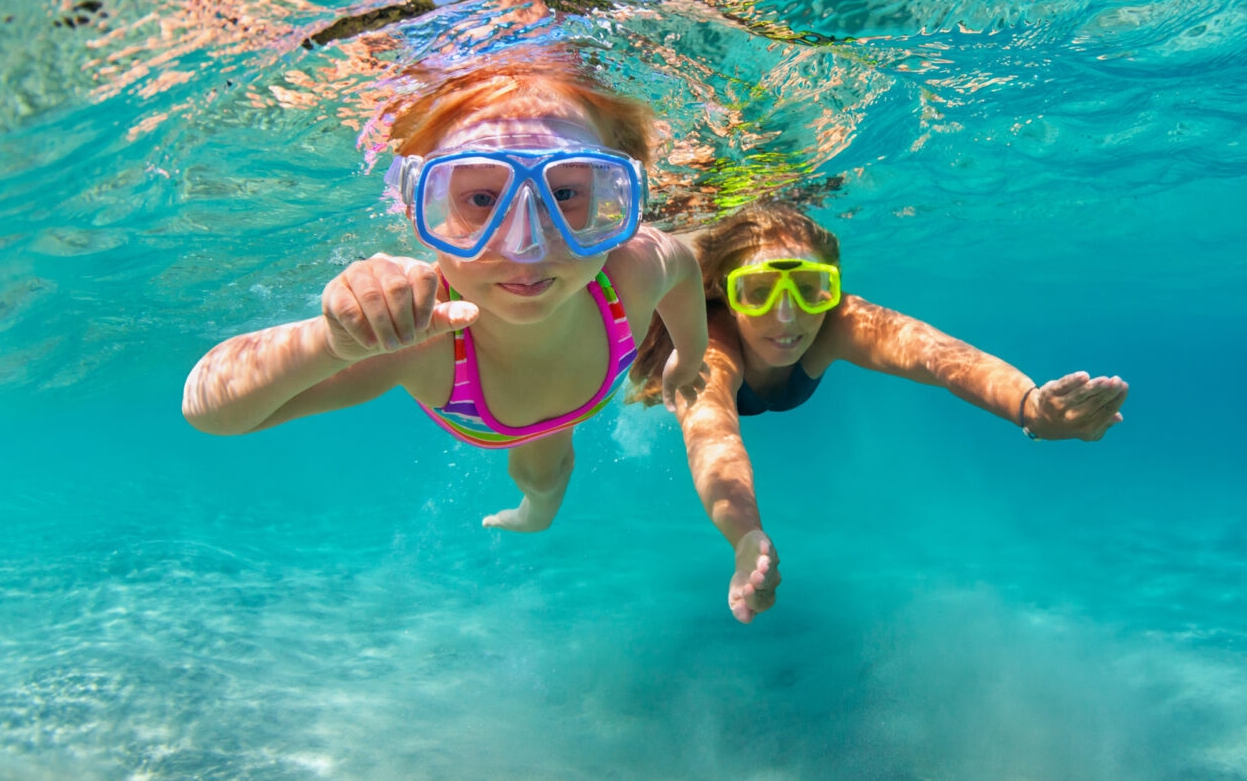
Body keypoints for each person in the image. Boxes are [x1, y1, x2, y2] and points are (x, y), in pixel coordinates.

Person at [184, 59, 709, 533]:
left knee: (548, 470)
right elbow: (209, 410)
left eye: (566, 194)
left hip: (570, 410)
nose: (525, 245)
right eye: (481, 199)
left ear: (615, 196)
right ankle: (535, 511)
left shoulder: (633, 267)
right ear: (421, 208)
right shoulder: (418, 331)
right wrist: (332, 342)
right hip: (484, 413)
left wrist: (687, 356)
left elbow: (685, 273)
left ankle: (537, 512)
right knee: (539, 469)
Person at [630, 203, 1129, 623]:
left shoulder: (839, 323)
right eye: (758, 292)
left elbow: (939, 357)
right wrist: (743, 537)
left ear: (833, 289)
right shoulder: (708, 348)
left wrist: (1031, 408)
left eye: (810, 288)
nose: (787, 316)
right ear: (727, 295)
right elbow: (714, 438)